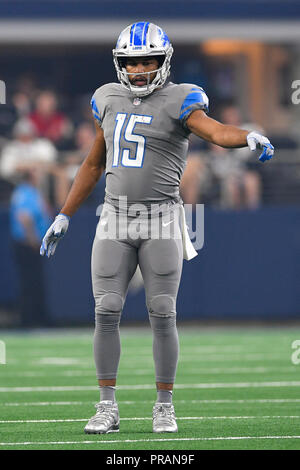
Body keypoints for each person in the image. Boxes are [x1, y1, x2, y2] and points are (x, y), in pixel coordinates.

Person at [40, 22, 274, 434]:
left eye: (148, 60)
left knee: (163, 312)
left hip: (161, 217)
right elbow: (94, 164)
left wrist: (247, 136)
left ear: (164, 61)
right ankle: (106, 406)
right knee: (105, 309)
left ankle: (164, 405)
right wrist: (64, 214)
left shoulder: (181, 99)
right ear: (120, 65)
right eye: (131, 62)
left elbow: (217, 132)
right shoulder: (107, 98)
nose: (140, 69)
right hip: (114, 216)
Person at [10, 167, 52, 327]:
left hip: (30, 243)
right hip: (28, 244)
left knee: (35, 281)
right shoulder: (25, 193)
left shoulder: (30, 192)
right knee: (30, 282)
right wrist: (33, 239)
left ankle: (36, 316)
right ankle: (29, 319)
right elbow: (24, 218)